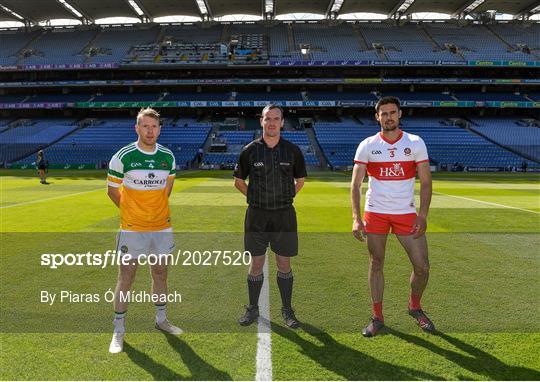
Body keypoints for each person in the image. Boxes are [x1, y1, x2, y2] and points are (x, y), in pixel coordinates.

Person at [351, 96, 435, 337]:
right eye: (383, 113)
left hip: (406, 214)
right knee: (376, 263)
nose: (388, 117)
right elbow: (356, 185)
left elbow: (427, 182)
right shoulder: (367, 145)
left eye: (392, 112)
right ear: (377, 117)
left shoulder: (415, 143)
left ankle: (414, 307)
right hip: (375, 213)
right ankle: (377, 317)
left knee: (422, 267)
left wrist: (423, 214)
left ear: (400, 114)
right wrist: (356, 218)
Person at [106, 108, 181, 354]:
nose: (150, 131)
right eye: (145, 126)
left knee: (160, 274)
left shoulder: (168, 157)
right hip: (132, 229)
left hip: (161, 227)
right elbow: (112, 191)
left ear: (159, 129)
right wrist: (132, 213)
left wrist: (153, 213)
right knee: (126, 277)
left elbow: (166, 190)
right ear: (137, 128)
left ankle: (161, 319)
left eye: (154, 126)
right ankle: (118, 330)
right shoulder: (122, 157)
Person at [233, 104, 307, 329]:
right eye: (268, 118)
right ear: (261, 121)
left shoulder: (293, 151)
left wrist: (282, 198)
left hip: (284, 216)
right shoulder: (250, 150)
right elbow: (238, 181)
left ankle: (287, 309)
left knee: (284, 263)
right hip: (257, 215)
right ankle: (253, 308)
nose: (272, 122)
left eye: (276, 118)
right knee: (256, 264)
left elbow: (300, 181)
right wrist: (256, 198)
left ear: (282, 122)